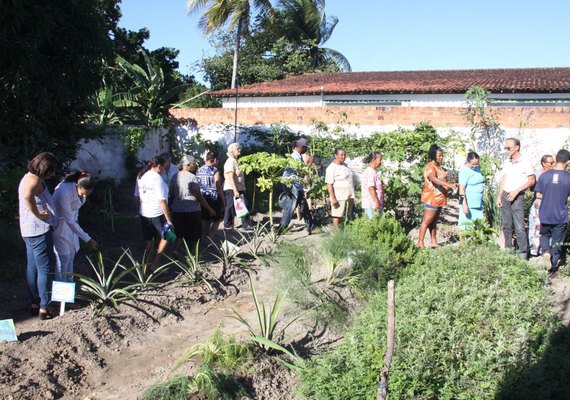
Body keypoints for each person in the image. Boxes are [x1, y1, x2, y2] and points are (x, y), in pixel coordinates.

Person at [18, 152, 61, 320]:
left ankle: (35, 303)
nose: (53, 174)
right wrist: (38, 213)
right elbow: (27, 197)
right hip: (38, 230)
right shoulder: (34, 180)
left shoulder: (27, 177)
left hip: (28, 230)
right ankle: (45, 306)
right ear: (44, 168)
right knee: (45, 268)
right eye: (51, 171)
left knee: (33, 267)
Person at [53, 171, 98, 282]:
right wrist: (88, 239)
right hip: (60, 227)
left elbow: (75, 211)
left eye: (86, 195)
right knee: (63, 259)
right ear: (78, 185)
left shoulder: (82, 192)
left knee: (70, 258)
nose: (83, 196)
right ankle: (60, 295)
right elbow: (69, 220)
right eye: (82, 193)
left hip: (72, 227)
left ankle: (69, 290)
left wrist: (76, 221)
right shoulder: (64, 191)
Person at [534, 149, 570, 280]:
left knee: (544, 234)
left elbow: (538, 194)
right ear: (568, 162)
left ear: (556, 158)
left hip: (545, 213)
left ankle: (545, 252)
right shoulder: (568, 177)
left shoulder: (545, 175)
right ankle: (553, 268)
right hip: (560, 215)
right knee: (557, 242)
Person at [497, 138, 535, 258]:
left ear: (517, 147)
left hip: (517, 196)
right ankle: (508, 249)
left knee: (519, 226)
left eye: (509, 148)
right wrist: (499, 196)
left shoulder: (525, 162)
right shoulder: (507, 162)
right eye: (505, 148)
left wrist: (517, 190)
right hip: (505, 194)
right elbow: (504, 179)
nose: (506, 150)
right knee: (507, 224)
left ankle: (523, 252)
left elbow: (532, 180)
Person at [135, 155, 174, 267]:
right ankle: (156, 261)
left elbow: (137, 196)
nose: (164, 170)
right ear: (158, 166)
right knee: (167, 235)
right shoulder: (157, 178)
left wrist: (139, 210)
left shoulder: (142, 176)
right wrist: (168, 219)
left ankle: (148, 262)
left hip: (144, 212)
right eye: (164, 167)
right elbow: (162, 201)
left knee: (149, 239)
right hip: (156, 213)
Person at [170, 155, 215, 250]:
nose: (194, 166)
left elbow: (171, 193)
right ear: (188, 164)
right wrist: (209, 208)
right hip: (192, 210)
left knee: (179, 232)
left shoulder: (175, 176)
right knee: (194, 233)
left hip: (177, 209)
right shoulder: (192, 177)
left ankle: (176, 251)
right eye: (193, 164)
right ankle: (192, 253)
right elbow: (198, 196)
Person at [416, 144, 457, 248]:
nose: (441, 157)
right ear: (433, 155)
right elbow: (433, 179)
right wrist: (449, 185)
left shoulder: (438, 166)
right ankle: (420, 243)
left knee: (433, 222)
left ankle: (434, 242)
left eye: (442, 156)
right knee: (426, 221)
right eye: (439, 156)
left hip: (439, 199)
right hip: (431, 198)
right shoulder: (430, 166)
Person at [278, 139, 314, 234]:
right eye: (304, 147)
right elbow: (301, 173)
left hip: (297, 185)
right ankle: (281, 229)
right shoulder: (295, 157)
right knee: (290, 207)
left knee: (304, 206)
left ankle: (310, 226)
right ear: (298, 147)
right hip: (292, 186)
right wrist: (310, 163)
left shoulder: (298, 156)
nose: (305, 149)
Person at [528, 154, 555, 256]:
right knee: (535, 227)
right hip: (539, 203)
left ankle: (546, 251)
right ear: (543, 163)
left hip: (551, 204)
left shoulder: (554, 174)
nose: (552, 164)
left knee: (549, 227)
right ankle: (534, 251)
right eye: (550, 163)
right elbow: (533, 190)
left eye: (553, 162)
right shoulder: (537, 174)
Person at [223, 142, 252, 231]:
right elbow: (230, 177)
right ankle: (227, 225)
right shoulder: (230, 161)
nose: (239, 150)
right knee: (231, 206)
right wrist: (235, 190)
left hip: (239, 187)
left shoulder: (236, 161)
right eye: (237, 149)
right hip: (232, 188)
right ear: (232, 150)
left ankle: (245, 224)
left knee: (244, 205)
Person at [196, 151, 226, 236]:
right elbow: (218, 185)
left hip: (202, 197)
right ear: (215, 160)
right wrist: (223, 199)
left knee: (206, 219)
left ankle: (205, 236)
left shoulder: (199, 170)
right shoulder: (214, 170)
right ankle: (210, 236)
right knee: (217, 219)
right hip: (213, 198)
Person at [325, 148, 355, 228]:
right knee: (337, 216)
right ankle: (336, 235)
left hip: (348, 195)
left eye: (345, 155)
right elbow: (329, 184)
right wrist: (333, 198)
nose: (343, 156)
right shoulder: (331, 168)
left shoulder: (344, 166)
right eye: (341, 155)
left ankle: (342, 232)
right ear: (335, 155)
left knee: (343, 215)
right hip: (339, 196)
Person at [458, 152, 484, 231]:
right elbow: (461, 189)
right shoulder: (464, 171)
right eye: (473, 164)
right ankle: (464, 242)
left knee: (477, 226)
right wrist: (464, 204)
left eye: (476, 164)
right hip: (469, 203)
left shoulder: (477, 168)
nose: (475, 166)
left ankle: (476, 242)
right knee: (466, 225)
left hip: (478, 203)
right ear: (468, 161)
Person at [361, 151, 384, 219]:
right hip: (372, 205)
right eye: (380, 160)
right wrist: (376, 203)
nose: (380, 162)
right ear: (373, 160)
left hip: (373, 205)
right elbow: (371, 188)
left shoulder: (373, 171)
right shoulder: (370, 172)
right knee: (373, 225)